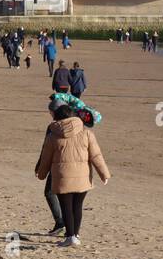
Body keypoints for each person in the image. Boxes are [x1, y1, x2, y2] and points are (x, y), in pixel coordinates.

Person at [35, 104, 111, 247]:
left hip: (62, 178)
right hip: (83, 177)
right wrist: (104, 174)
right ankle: (75, 235)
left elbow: (46, 158)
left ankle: (70, 236)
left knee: (66, 207)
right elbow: (96, 155)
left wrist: (41, 174)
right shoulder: (87, 133)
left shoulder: (52, 135)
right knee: (77, 206)